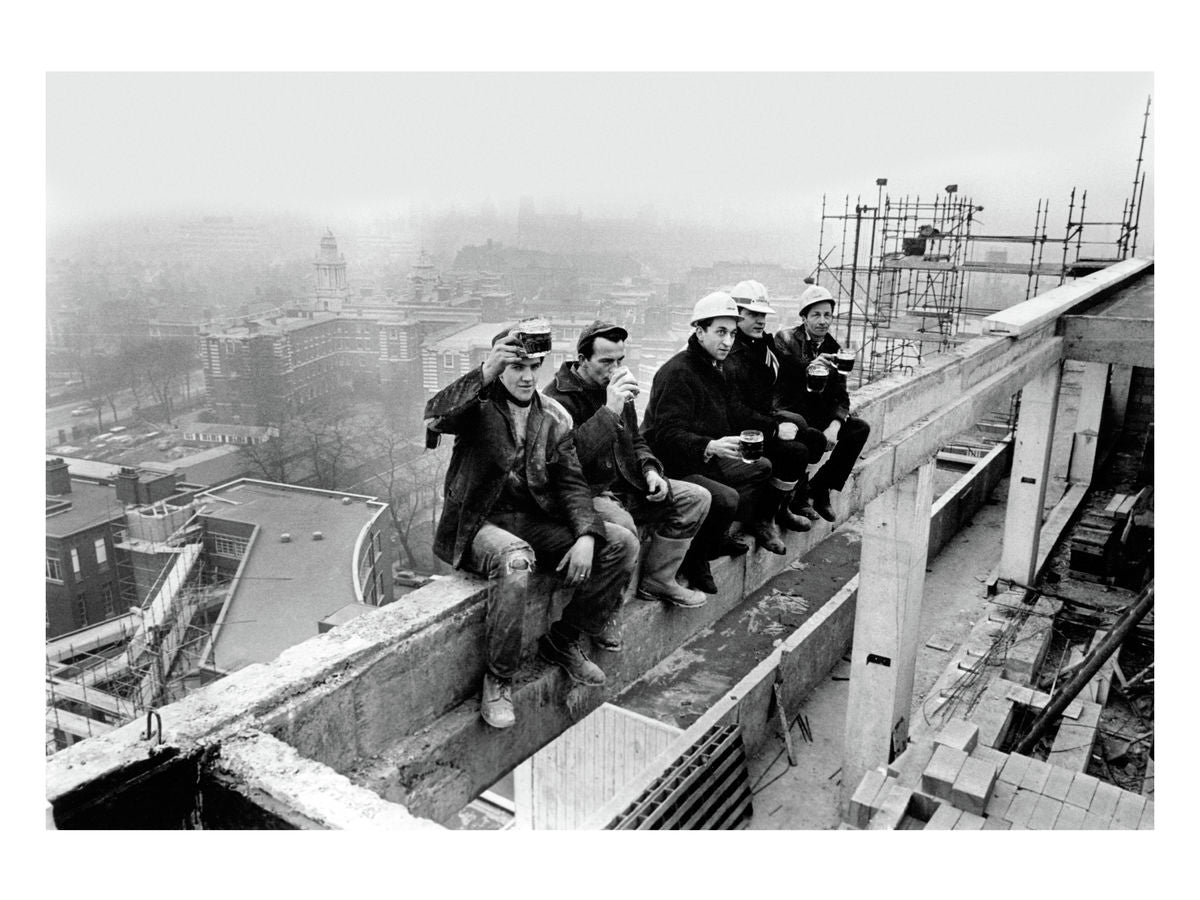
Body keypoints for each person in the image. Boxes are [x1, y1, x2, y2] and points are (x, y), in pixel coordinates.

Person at [424, 320, 640, 730]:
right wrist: (484, 372)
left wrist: (586, 535)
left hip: (530, 520)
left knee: (621, 543)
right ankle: (499, 679)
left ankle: (565, 639)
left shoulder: (553, 415)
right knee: (515, 559)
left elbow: (571, 482)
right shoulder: (479, 404)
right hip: (480, 523)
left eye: (533, 367)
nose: (526, 376)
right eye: (516, 366)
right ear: (500, 367)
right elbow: (436, 418)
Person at [544, 320, 713, 638]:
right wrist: (610, 410)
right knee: (624, 528)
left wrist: (650, 470)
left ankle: (659, 579)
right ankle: (608, 611)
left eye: (620, 360)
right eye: (606, 361)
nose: (615, 368)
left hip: (627, 484)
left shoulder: (619, 390)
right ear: (582, 360)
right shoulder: (557, 401)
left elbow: (636, 441)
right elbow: (569, 463)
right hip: (589, 492)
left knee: (696, 498)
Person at [642, 292, 801, 590]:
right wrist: (709, 446)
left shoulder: (714, 366)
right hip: (672, 464)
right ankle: (696, 557)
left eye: (732, 333)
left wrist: (751, 434)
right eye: (720, 332)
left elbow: (729, 412)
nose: (728, 341)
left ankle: (718, 534)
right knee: (726, 498)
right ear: (700, 331)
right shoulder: (678, 372)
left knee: (762, 467)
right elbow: (665, 435)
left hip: (702, 456)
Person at [773, 285, 872, 523]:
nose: (822, 321)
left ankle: (820, 487)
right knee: (810, 435)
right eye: (816, 315)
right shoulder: (785, 339)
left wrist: (836, 425)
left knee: (859, 429)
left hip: (817, 413)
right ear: (804, 317)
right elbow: (782, 377)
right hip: (790, 411)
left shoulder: (833, 348)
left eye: (827, 315)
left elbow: (841, 396)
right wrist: (809, 366)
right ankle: (795, 496)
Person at [723, 280, 815, 533]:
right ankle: (764, 517)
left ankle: (785, 503)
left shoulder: (761, 344)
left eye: (763, 315)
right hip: (741, 431)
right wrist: (774, 428)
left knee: (813, 438)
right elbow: (735, 410)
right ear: (736, 315)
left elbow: (787, 369)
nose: (760, 321)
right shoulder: (731, 354)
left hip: (760, 420)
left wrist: (813, 367)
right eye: (753, 314)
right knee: (795, 452)